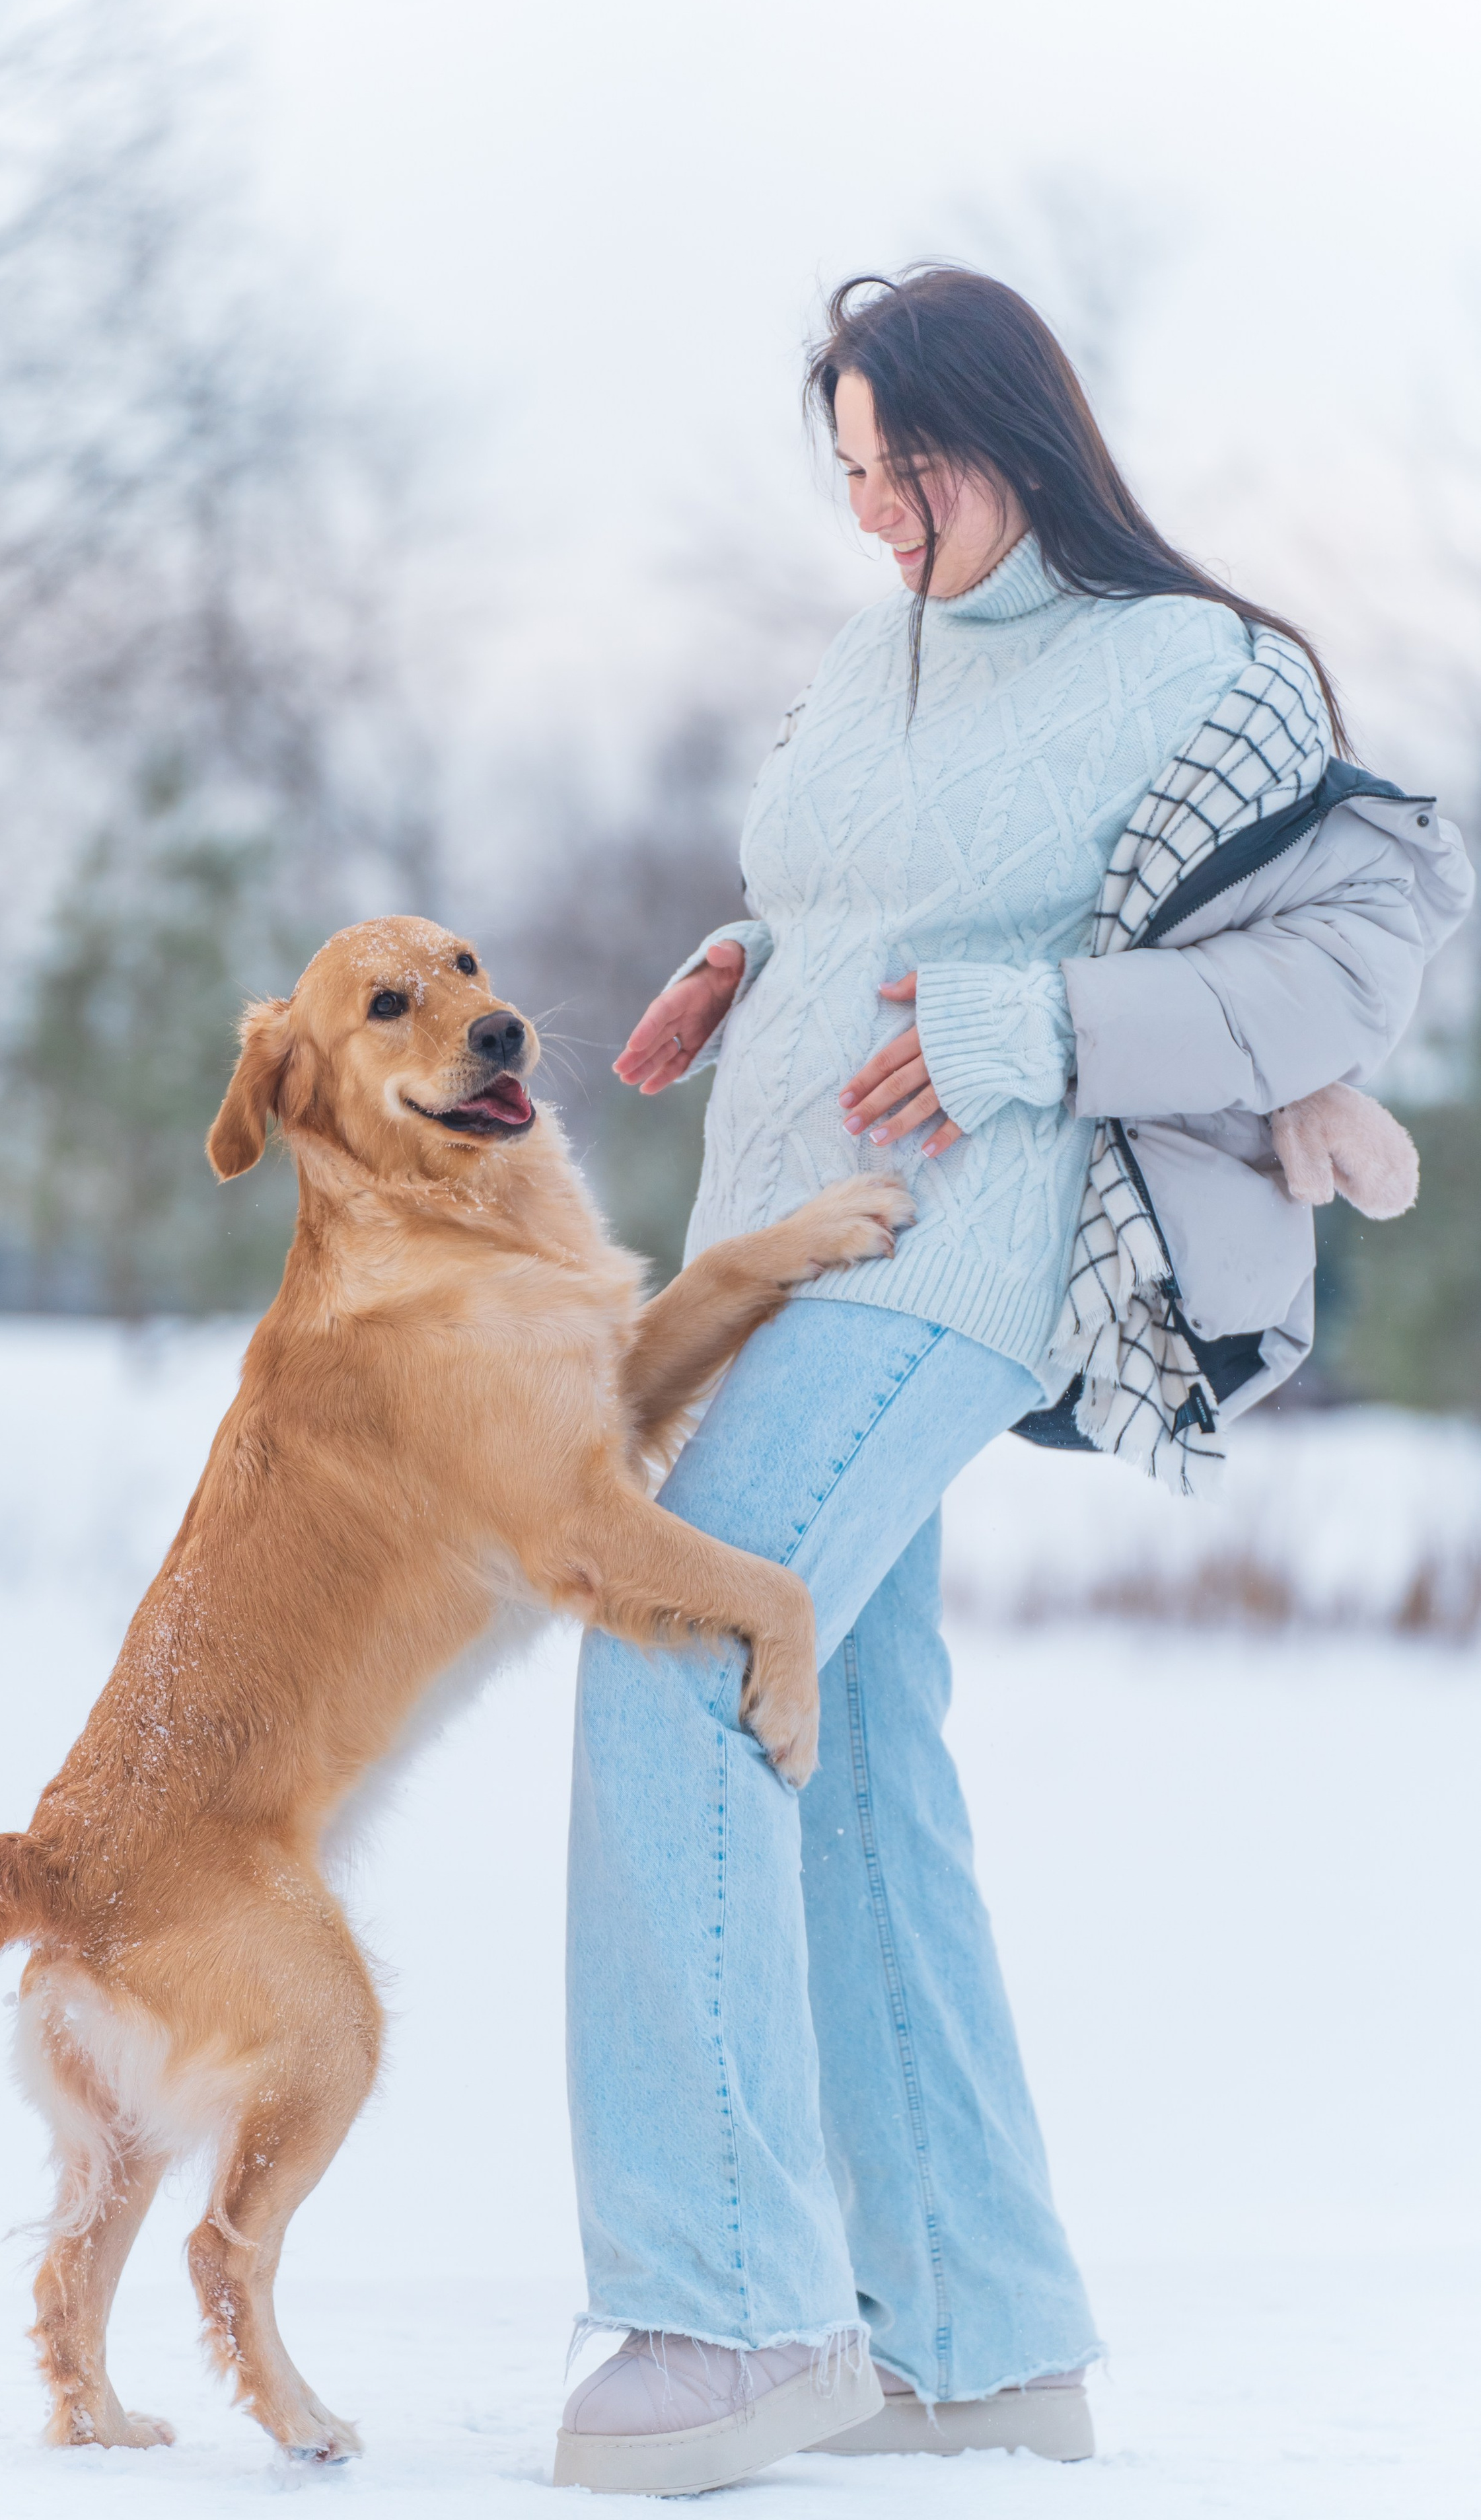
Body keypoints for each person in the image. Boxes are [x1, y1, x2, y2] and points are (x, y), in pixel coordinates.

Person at [551, 268, 1471, 2498]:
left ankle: (733, 2308)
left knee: (681, 1628)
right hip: (773, 1230)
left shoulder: (1205, 671)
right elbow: (865, 903)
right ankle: (968, 2342)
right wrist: (742, 968)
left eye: (907, 470)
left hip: (963, 1249)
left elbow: (1349, 951)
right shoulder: (868, 663)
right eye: (849, 477)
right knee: (850, 1739)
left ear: (1017, 441)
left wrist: (1032, 1034)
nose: (875, 517)